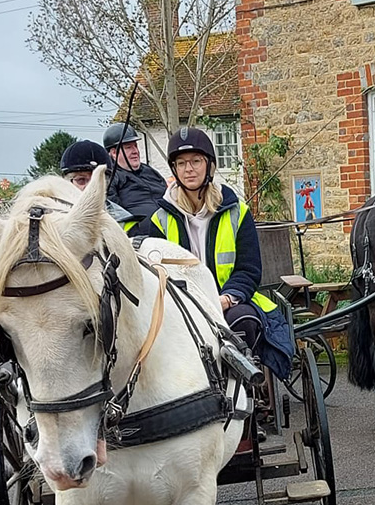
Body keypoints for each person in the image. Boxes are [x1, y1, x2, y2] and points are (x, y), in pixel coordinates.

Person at [144, 126, 293, 378]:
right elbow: (154, 273)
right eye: (180, 163)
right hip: (179, 305)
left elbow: (249, 269)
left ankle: (245, 390)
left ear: (209, 166)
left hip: (228, 302)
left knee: (244, 322)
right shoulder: (159, 220)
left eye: (195, 161)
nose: (188, 169)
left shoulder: (237, 212)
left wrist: (226, 298)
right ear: (174, 170)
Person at [102, 122, 167, 236]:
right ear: (114, 153)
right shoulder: (110, 178)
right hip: (141, 242)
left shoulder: (149, 171)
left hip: (170, 232)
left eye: (135, 146)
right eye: (128, 147)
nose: (135, 151)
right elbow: (115, 215)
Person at [59, 140, 136, 229]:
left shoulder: (125, 220)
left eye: (97, 181)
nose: (90, 188)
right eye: (81, 180)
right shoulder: (54, 221)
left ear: (106, 183)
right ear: (68, 183)